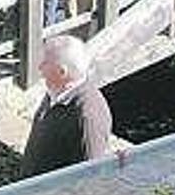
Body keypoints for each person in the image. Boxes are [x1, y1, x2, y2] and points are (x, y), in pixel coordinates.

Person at [20, 35, 112, 178]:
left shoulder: (87, 116)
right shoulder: (55, 91)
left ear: (62, 72)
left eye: (45, 63)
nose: (39, 68)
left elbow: (88, 177)